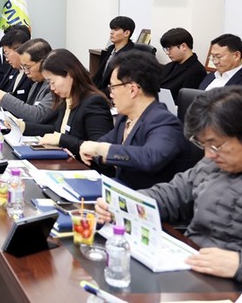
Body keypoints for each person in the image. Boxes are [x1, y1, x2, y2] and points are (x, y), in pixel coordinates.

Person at [95, 85, 242, 284]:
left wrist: (241, 264)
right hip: (191, 261)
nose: (208, 155)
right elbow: (173, 194)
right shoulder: (211, 164)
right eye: (203, 145)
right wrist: (121, 203)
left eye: (216, 145)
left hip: (236, 281)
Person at [80, 51, 197, 189]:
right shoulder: (125, 118)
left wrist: (102, 150)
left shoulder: (165, 122)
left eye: (113, 87)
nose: (111, 94)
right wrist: (93, 150)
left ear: (133, 90)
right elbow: (103, 143)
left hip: (151, 198)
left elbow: (149, 158)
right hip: (122, 191)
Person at [30, 49, 113, 158]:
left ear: (69, 75)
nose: (52, 88)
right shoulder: (66, 99)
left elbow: (99, 148)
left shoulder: (94, 102)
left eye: (52, 82)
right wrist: (23, 127)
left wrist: (62, 139)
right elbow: (58, 131)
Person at [0, 38, 53, 124]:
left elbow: (37, 115)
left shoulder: (53, 87)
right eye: (23, 68)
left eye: (28, 67)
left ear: (43, 63)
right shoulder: (36, 83)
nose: (26, 72)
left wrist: (4, 97)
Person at [159, 27, 207, 100]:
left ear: (183, 46)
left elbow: (185, 100)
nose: (167, 53)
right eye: (166, 49)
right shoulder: (170, 66)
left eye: (169, 49)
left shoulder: (196, 71)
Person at [92, 16, 136, 91]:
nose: (111, 32)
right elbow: (99, 76)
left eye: (115, 30)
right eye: (111, 29)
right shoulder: (109, 50)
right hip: (100, 91)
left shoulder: (130, 56)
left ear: (126, 33)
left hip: (113, 93)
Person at [0, 28, 33, 102]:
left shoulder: (32, 74)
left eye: (7, 54)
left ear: (19, 50)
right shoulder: (14, 69)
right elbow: (1, 92)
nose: (6, 59)